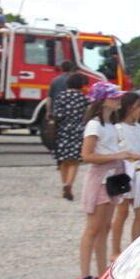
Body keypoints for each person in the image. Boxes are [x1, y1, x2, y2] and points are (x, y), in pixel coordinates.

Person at [76, 82, 140, 279]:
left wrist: (127, 156)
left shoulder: (110, 125)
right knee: (93, 228)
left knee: (104, 227)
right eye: (114, 97)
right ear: (103, 100)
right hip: (99, 179)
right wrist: (118, 155)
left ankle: (101, 272)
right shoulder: (95, 125)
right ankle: (84, 276)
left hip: (111, 178)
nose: (118, 100)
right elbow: (86, 156)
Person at [110, 91, 140, 261]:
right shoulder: (118, 128)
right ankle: (115, 249)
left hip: (139, 172)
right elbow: (118, 150)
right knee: (122, 210)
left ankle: (136, 247)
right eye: (138, 106)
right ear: (129, 108)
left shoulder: (138, 128)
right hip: (124, 172)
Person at [50, 72, 90, 200]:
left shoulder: (61, 96)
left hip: (62, 130)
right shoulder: (83, 98)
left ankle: (64, 185)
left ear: (68, 84)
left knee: (64, 161)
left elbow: (56, 114)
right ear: (81, 85)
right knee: (74, 161)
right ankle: (69, 184)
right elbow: (87, 116)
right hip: (78, 131)